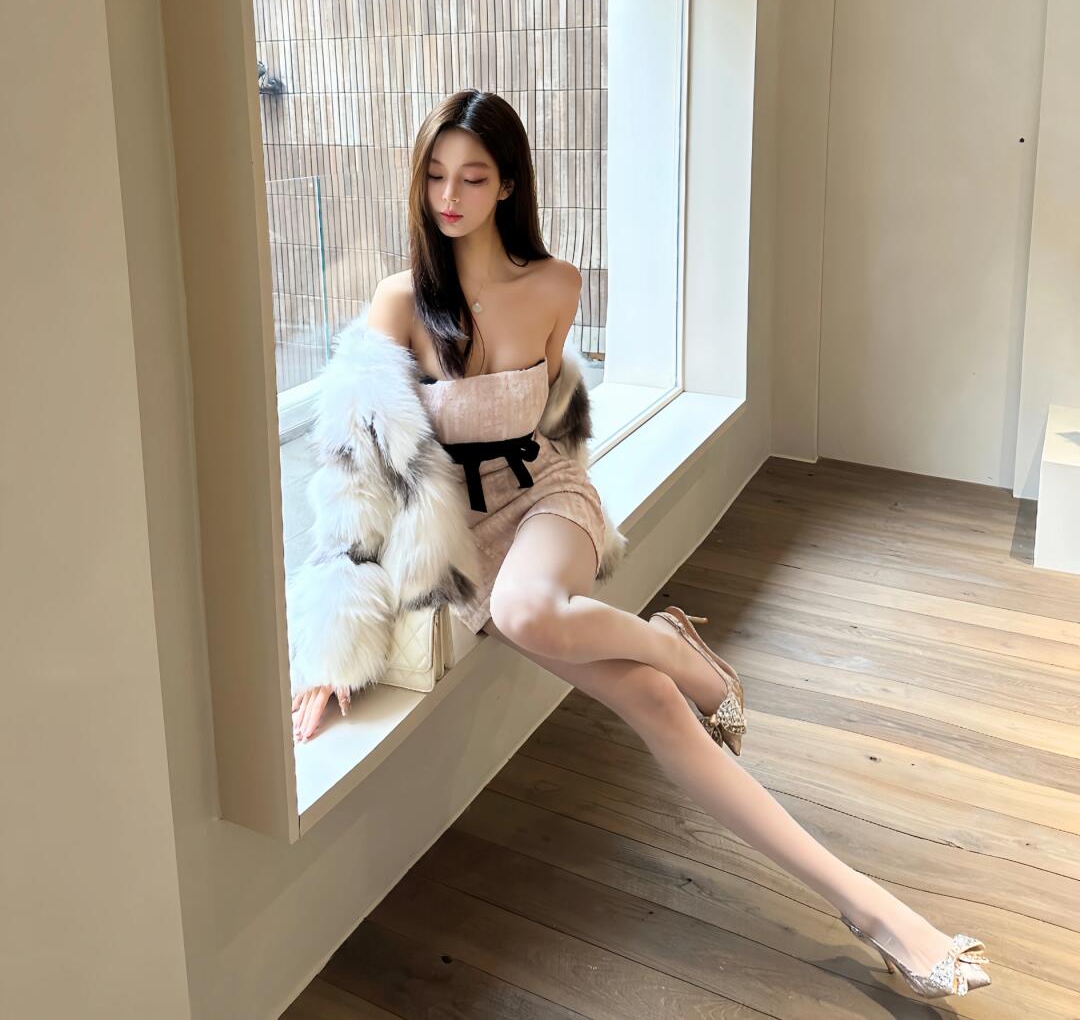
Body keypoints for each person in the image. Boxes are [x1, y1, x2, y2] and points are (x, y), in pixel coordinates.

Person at [291, 88, 991, 1000]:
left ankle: (677, 649)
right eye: (434, 176)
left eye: (473, 177)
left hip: (547, 502)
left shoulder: (556, 284)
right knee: (657, 703)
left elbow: (549, 430)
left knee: (527, 606)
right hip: (464, 537)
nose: (449, 197)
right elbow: (350, 471)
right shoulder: (398, 302)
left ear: (509, 185)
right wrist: (334, 645)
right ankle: (871, 907)